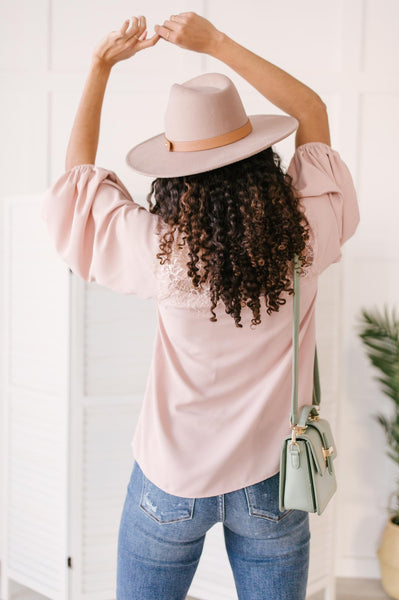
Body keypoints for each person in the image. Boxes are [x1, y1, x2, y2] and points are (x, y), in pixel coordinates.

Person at [41, 11, 360, 600]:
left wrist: (99, 67)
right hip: (273, 479)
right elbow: (312, 109)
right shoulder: (305, 235)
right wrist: (215, 43)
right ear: (262, 158)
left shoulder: (164, 251)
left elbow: (79, 185)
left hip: (171, 482)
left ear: (177, 176)